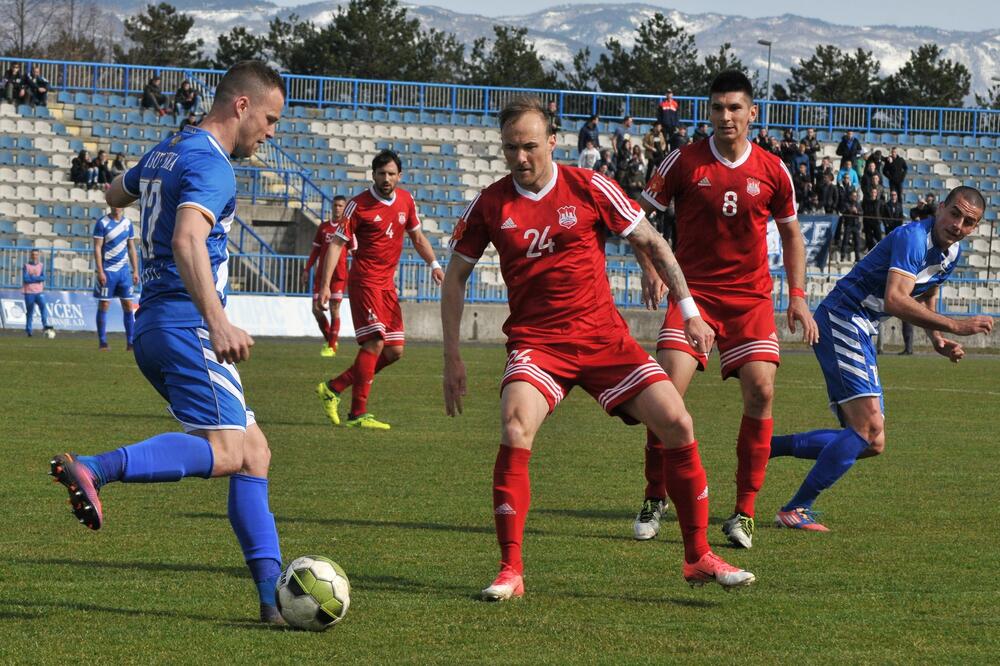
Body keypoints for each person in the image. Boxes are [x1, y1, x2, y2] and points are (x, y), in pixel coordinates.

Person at [441, 95, 755, 601]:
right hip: (539, 345)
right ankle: (511, 569)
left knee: (677, 422)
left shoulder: (588, 186)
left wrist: (691, 312)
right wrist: (452, 356)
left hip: (604, 341)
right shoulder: (491, 204)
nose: (520, 158)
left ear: (552, 143)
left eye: (529, 147)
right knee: (515, 425)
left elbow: (653, 242)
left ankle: (698, 557)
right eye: (509, 149)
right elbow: (455, 276)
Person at [47, 61, 288, 624]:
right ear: (242, 107)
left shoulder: (168, 150)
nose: (271, 132)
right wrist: (219, 321)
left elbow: (114, 190)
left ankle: (272, 596)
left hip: (155, 324)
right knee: (229, 454)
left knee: (254, 453)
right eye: (270, 119)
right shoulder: (214, 165)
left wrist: (139, 188)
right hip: (187, 324)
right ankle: (95, 467)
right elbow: (187, 238)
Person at [636, 70, 818, 550]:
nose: (726, 116)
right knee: (665, 395)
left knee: (761, 390)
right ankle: (655, 496)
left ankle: (745, 512)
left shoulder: (774, 169)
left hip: (750, 299)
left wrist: (797, 296)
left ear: (752, 113)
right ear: (708, 112)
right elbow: (638, 218)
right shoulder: (684, 161)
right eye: (717, 108)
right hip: (693, 295)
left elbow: (793, 234)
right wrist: (651, 267)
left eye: (735, 108)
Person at [769, 186, 993, 530]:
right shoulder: (912, 238)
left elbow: (928, 290)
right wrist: (955, 325)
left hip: (860, 326)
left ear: (975, 228)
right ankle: (795, 508)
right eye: (954, 213)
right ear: (940, 208)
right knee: (868, 428)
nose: (958, 224)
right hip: (843, 318)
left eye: (968, 221)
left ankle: (763, 448)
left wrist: (936, 338)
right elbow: (895, 299)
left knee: (873, 442)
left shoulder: (951, 253)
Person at [315, 150, 444, 430]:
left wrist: (434, 263)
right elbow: (337, 244)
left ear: (400, 176)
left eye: (391, 173)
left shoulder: (406, 201)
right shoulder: (357, 205)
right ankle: (358, 413)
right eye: (381, 173)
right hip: (365, 282)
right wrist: (324, 285)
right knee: (374, 343)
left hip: (388, 285)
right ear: (373, 175)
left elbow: (418, 237)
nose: (386, 178)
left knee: (394, 350)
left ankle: (334, 387)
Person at [301, 195, 350, 357]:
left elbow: (356, 251)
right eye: (335, 205)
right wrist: (307, 269)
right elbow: (315, 250)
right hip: (322, 275)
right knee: (316, 309)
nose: (337, 208)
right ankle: (331, 339)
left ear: (345, 208)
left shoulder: (348, 227)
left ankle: (330, 347)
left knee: (335, 309)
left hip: (339, 275)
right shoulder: (323, 227)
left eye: (341, 206)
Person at [92, 207, 139, 350]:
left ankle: (130, 343)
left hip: (124, 272)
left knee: (128, 305)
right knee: (104, 305)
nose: (116, 206)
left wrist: (135, 270)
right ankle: (103, 342)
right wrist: (100, 271)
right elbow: (97, 248)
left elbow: (131, 248)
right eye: (114, 204)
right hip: (108, 271)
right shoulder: (102, 223)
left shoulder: (128, 223)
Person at [22, 249, 54, 337]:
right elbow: (25, 279)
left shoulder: (41, 265)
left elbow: (43, 278)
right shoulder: (26, 266)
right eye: (33, 254)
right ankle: (29, 330)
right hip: (29, 292)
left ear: (38, 255)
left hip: (39, 291)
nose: (34, 256)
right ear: (30, 255)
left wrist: (32, 277)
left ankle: (45, 326)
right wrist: (37, 278)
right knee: (30, 312)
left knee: (43, 307)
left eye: (36, 255)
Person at [861, 186, 883, 252]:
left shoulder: (879, 202)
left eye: (875, 192)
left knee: (879, 238)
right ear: (870, 193)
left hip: (876, 222)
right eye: (872, 192)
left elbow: (882, 211)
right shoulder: (866, 202)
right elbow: (864, 211)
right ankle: (870, 252)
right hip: (868, 223)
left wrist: (879, 219)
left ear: (876, 194)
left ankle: (880, 252)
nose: (873, 193)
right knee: (869, 239)